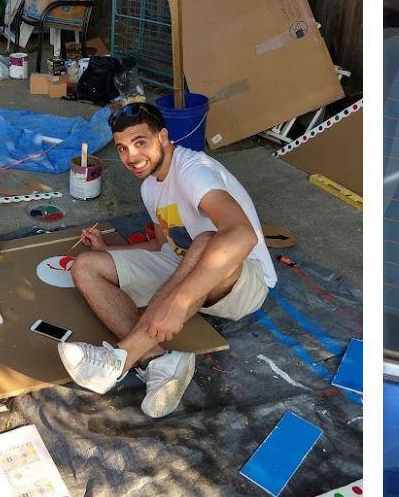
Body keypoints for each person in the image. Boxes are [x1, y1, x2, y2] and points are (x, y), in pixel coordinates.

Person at [57, 100, 275, 418]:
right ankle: (160, 362)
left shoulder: (193, 171)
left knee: (206, 240)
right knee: (85, 267)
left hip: (242, 280)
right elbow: (164, 244)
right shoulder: (149, 188)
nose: (131, 157)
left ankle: (118, 360)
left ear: (162, 137)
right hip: (185, 265)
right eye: (122, 149)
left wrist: (179, 301)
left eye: (139, 142)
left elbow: (242, 235)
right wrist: (107, 250)